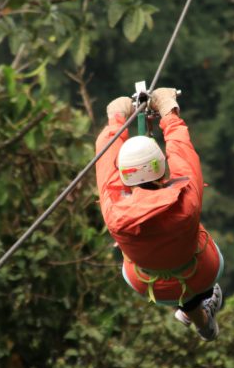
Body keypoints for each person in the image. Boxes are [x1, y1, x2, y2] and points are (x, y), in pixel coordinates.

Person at [95, 87, 225, 341]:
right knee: (191, 251)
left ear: (124, 174)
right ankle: (195, 312)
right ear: (161, 166)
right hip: (201, 273)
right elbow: (182, 152)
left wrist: (116, 120)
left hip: (145, 282)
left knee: (160, 261)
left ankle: (195, 316)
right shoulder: (185, 202)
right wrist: (169, 112)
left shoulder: (114, 209)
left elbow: (104, 160)